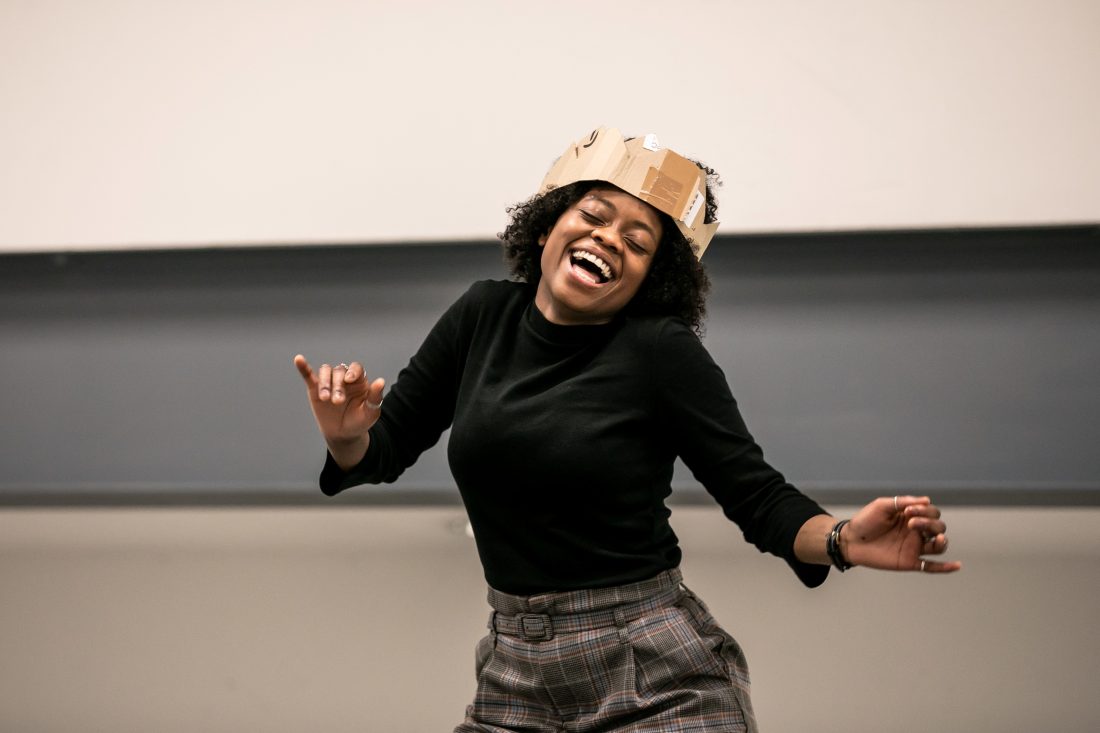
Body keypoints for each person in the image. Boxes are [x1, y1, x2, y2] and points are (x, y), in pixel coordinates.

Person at [293, 128, 961, 732]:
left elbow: (758, 497)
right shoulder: (481, 316)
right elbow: (382, 450)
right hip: (513, 672)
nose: (610, 238)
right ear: (548, 226)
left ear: (649, 279)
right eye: (593, 214)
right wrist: (345, 434)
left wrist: (841, 540)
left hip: (653, 674)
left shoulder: (660, 352)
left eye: (638, 243)